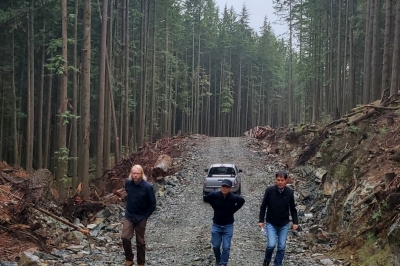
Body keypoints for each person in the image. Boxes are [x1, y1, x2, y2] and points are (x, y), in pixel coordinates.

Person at [258, 171, 298, 266]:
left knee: (281, 246)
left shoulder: (289, 192)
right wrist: (261, 220)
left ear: (286, 180)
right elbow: (263, 206)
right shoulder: (269, 190)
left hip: (284, 223)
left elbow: (293, 208)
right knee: (271, 244)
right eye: (278, 180)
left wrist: (295, 222)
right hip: (271, 222)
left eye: (282, 180)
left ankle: (277, 264)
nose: (280, 182)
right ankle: (267, 260)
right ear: (275, 180)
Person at [121, 165, 156, 266]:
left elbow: (153, 204)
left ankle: (141, 262)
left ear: (141, 174)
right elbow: (127, 194)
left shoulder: (147, 187)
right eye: (134, 173)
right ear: (131, 174)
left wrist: (145, 216)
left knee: (140, 241)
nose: (135, 175)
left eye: (137, 173)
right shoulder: (128, 183)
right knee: (125, 237)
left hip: (141, 217)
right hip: (129, 215)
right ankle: (129, 259)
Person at [205, 179, 245, 266]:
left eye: (226, 187)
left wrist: (233, 210)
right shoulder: (215, 195)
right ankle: (218, 258)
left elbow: (242, 201)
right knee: (215, 245)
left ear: (230, 188)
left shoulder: (233, 197)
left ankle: (223, 263)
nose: (224, 188)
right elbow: (207, 197)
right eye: (223, 186)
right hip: (216, 225)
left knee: (226, 247)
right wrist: (214, 207)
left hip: (228, 226)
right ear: (221, 187)